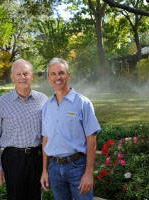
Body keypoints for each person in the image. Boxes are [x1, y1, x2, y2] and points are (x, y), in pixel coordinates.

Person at [40, 58, 101, 200]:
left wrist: (88, 173)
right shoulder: (47, 106)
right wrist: (45, 170)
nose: (57, 77)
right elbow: (45, 140)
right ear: (49, 78)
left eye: (61, 73)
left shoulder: (82, 103)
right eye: (53, 74)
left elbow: (91, 140)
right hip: (54, 168)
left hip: (78, 168)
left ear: (68, 75)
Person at [0, 59, 48, 200]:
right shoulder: (2, 102)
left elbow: (49, 133)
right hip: (13, 159)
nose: (22, 77)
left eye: (26, 74)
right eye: (18, 74)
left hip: (36, 158)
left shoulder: (43, 100)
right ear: (12, 77)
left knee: (36, 197)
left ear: (32, 76)